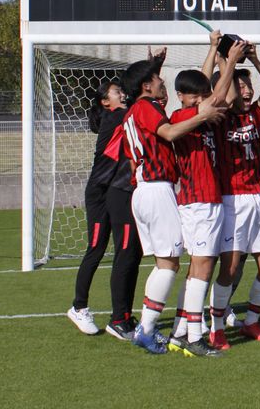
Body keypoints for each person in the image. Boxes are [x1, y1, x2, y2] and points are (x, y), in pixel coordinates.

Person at [120, 53, 224, 354]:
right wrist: (203, 116)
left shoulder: (135, 110)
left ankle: (157, 328)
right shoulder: (145, 107)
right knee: (168, 265)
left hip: (144, 189)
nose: (162, 82)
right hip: (156, 188)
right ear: (145, 87)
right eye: (156, 79)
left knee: (167, 263)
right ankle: (148, 329)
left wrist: (157, 65)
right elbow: (169, 131)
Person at [166, 42, 242, 357]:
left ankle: (180, 330)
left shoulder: (200, 115)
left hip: (204, 199)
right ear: (182, 96)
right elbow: (218, 97)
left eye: (202, 94)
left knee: (199, 266)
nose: (202, 99)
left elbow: (224, 97)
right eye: (195, 95)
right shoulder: (182, 113)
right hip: (199, 201)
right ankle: (194, 337)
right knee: (203, 265)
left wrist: (215, 51)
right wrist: (232, 61)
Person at [208, 45, 260, 348]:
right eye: (239, 86)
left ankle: (251, 322)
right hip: (233, 199)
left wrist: (252, 59)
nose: (246, 91)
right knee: (231, 267)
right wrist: (227, 62)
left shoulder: (257, 114)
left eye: (247, 85)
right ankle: (216, 327)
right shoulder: (220, 117)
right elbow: (220, 95)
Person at [68, 78, 142, 339]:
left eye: (122, 90)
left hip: (115, 192)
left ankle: (120, 315)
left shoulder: (122, 116)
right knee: (97, 248)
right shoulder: (113, 118)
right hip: (99, 193)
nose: (122, 94)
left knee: (123, 248)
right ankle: (78, 306)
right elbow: (136, 105)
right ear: (105, 101)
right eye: (116, 92)